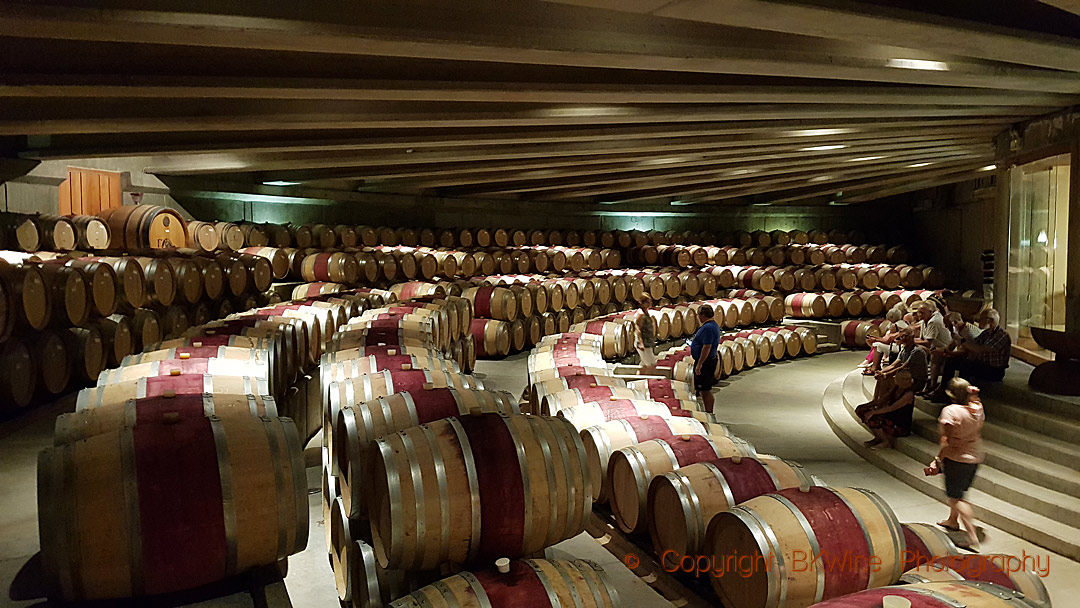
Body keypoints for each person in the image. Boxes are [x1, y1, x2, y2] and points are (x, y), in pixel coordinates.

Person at [925, 377, 985, 551]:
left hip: (957, 458)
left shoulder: (950, 412)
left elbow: (950, 441)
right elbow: (974, 399)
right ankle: (952, 521)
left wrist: (937, 460)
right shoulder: (977, 409)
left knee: (957, 497)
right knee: (958, 491)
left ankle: (972, 536)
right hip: (974, 456)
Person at [930, 309, 1010, 401]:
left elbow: (981, 349)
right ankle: (943, 391)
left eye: (981, 319)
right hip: (982, 364)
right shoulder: (986, 333)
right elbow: (972, 345)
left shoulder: (1001, 335)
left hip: (994, 370)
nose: (978, 321)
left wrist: (961, 341)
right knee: (952, 361)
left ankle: (962, 395)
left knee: (966, 366)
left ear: (989, 321)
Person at [855, 368, 916, 450]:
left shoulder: (909, 394)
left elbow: (892, 408)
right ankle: (878, 438)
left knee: (873, 418)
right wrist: (866, 406)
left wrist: (873, 412)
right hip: (890, 418)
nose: (905, 381)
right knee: (861, 410)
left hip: (899, 425)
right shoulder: (896, 388)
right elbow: (883, 399)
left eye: (907, 379)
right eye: (902, 379)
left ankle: (885, 442)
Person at [873, 327, 928, 397]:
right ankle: (876, 402)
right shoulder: (904, 350)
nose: (903, 338)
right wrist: (881, 372)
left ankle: (881, 403)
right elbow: (893, 365)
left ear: (912, 337)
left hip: (916, 381)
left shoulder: (917, 351)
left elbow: (903, 367)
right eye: (901, 336)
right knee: (881, 380)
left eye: (906, 336)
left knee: (886, 381)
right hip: (906, 377)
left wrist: (885, 375)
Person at [915, 301, 952, 396]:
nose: (919, 315)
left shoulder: (934, 321)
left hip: (944, 348)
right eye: (918, 312)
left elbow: (928, 342)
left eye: (922, 313)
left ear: (930, 312)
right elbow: (922, 339)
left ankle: (931, 384)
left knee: (930, 354)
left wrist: (911, 341)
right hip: (935, 347)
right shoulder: (925, 321)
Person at [690, 304, 721, 413]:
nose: (698, 317)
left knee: (705, 389)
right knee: (704, 389)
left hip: (706, 362)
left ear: (703, 315)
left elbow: (706, 347)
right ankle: (708, 412)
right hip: (708, 361)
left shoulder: (708, 328)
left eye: (699, 315)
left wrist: (700, 364)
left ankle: (709, 413)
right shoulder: (712, 325)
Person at [862, 305, 908, 374]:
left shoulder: (894, 326)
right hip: (903, 346)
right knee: (877, 343)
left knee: (877, 345)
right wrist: (875, 338)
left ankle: (874, 368)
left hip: (899, 347)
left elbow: (887, 341)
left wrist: (874, 340)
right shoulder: (903, 323)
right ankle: (874, 365)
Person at [634, 295, 657, 374]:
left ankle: (637, 382)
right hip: (643, 343)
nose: (649, 303)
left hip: (648, 341)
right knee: (652, 364)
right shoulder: (641, 314)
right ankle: (648, 382)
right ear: (642, 303)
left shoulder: (646, 312)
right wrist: (640, 342)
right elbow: (637, 328)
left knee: (643, 365)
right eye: (647, 302)